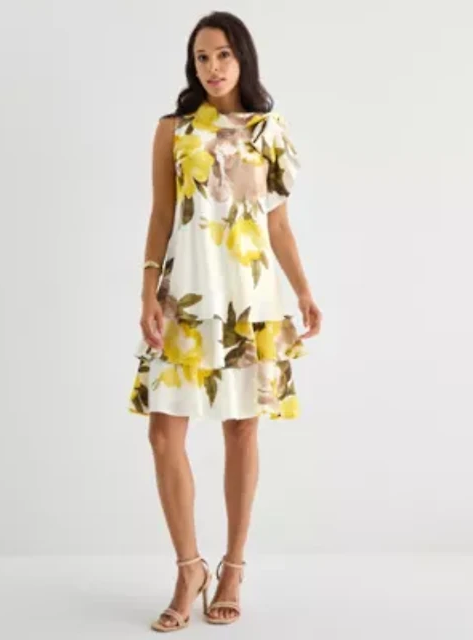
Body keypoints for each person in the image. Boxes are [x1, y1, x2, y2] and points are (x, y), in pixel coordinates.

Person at [128, 10, 322, 632]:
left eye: (223, 55)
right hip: (184, 295)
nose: (212, 68)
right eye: (202, 57)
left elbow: (277, 223)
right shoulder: (173, 129)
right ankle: (189, 567)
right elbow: (162, 215)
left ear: (243, 58)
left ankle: (233, 568)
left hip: (247, 295)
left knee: (242, 430)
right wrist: (147, 292)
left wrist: (304, 290)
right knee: (165, 434)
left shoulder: (269, 129)